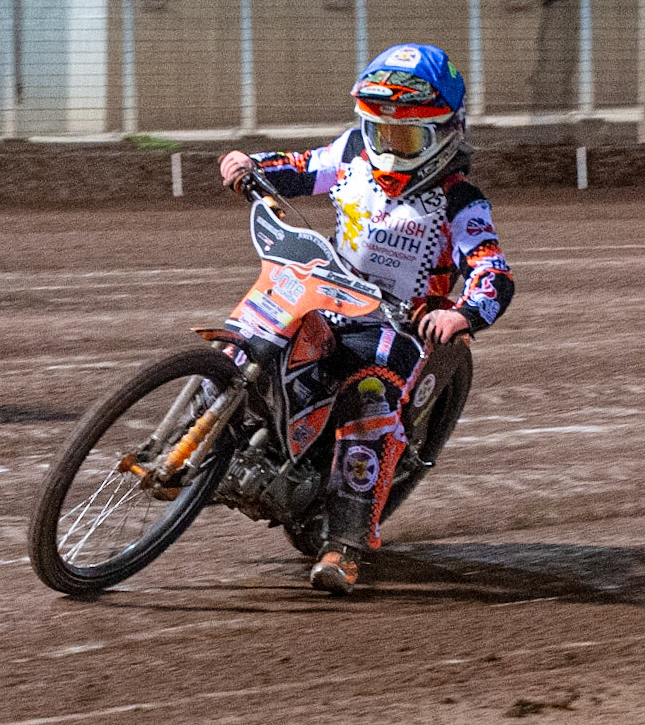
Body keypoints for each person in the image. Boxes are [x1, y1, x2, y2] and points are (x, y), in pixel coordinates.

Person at [218, 42, 514, 595]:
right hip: (328, 288)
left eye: (405, 137)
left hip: (402, 323)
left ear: (446, 132)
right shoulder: (355, 150)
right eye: (380, 131)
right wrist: (253, 167)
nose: (388, 147)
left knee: (370, 398)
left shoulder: (460, 199)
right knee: (252, 338)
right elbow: (305, 169)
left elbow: (494, 272)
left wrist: (465, 314)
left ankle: (346, 545)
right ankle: (204, 447)